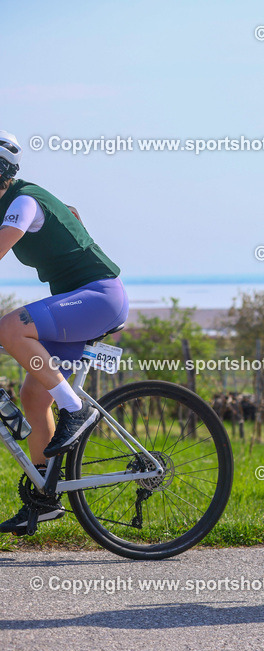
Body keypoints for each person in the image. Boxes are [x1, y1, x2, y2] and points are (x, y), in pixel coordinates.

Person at [0, 130, 129, 533]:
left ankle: (77, 408)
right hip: (79, 304)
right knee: (33, 397)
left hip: (98, 297)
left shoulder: (22, 200)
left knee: (10, 329)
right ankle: (44, 498)